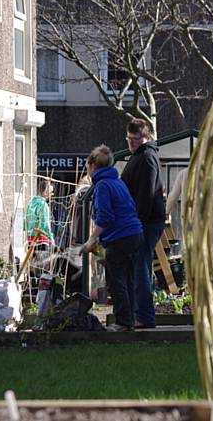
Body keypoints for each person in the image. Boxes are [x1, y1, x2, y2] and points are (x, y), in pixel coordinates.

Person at [80, 145, 143, 332]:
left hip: (121, 238)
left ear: (92, 165)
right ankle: (130, 319)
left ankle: (123, 322)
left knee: (117, 281)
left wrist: (91, 240)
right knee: (129, 280)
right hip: (135, 235)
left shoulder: (102, 186)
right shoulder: (118, 182)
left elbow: (105, 218)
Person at [121, 118, 165, 329]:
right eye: (129, 139)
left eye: (136, 139)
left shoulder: (146, 157)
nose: (131, 142)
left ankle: (145, 316)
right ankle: (141, 314)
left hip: (145, 222)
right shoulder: (140, 155)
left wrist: (136, 222)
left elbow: (147, 193)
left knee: (141, 267)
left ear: (146, 137)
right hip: (143, 220)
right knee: (140, 266)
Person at [25, 178, 55, 251]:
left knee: (32, 261)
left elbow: (26, 221)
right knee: (41, 262)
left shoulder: (30, 203)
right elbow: (45, 224)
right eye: (51, 192)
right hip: (41, 239)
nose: (52, 195)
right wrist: (51, 238)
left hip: (30, 239)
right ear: (45, 192)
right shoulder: (43, 205)